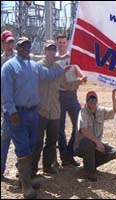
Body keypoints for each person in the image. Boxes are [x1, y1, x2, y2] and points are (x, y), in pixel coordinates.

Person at [1, 37, 68, 199]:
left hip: (33, 112)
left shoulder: (33, 66)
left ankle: (25, 179)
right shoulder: (9, 67)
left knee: (31, 145)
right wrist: (12, 112)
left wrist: (63, 70)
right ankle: (26, 187)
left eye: (28, 46)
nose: (26, 48)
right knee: (23, 146)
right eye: (22, 46)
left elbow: (48, 75)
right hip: (18, 113)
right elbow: (6, 92)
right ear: (18, 47)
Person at [31, 40, 87, 176]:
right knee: (37, 141)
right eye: (48, 49)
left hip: (54, 110)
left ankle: (47, 165)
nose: (50, 52)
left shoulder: (58, 68)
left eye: (52, 49)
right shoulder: (37, 67)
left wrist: (79, 82)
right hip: (41, 109)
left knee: (51, 140)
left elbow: (66, 86)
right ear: (44, 50)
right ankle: (32, 168)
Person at [74, 89, 116, 181]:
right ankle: (89, 172)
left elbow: (115, 111)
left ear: (97, 101)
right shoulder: (82, 113)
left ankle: (88, 165)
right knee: (89, 143)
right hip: (82, 146)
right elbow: (83, 130)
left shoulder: (101, 111)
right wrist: (97, 142)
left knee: (113, 153)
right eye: (90, 99)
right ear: (86, 101)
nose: (92, 101)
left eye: (94, 99)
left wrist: (113, 96)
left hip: (96, 146)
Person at [56, 33, 83, 167]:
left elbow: (78, 72)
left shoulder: (72, 58)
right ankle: (64, 156)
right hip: (59, 96)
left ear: (67, 43)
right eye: (59, 42)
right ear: (57, 44)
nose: (61, 44)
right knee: (60, 127)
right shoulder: (54, 59)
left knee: (79, 123)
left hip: (72, 96)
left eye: (63, 42)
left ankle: (69, 153)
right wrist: (79, 81)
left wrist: (83, 76)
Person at [1, 30, 16, 180]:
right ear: (2, 43)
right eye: (7, 42)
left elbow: (39, 58)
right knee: (5, 138)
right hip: (7, 106)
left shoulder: (21, 57)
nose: (10, 45)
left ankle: (21, 168)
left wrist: (62, 57)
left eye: (11, 42)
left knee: (21, 138)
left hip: (20, 104)